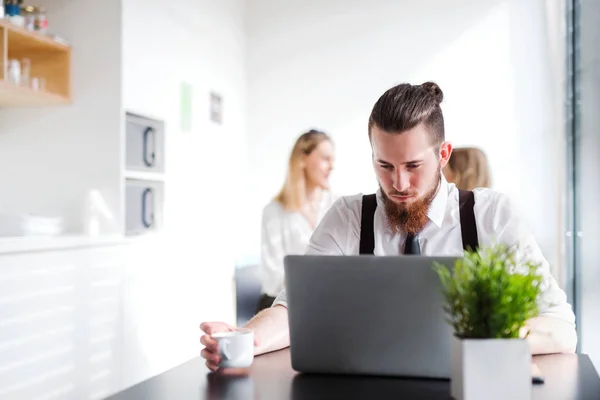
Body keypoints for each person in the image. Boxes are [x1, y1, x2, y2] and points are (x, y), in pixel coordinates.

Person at [200, 82, 577, 372]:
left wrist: (487, 334)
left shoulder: (491, 216)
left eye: (413, 166)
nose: (398, 183)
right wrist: (245, 338)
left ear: (443, 155)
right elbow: (293, 309)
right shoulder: (346, 217)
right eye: (385, 165)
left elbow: (561, 328)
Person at [255, 129, 337, 314]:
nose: (331, 166)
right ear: (302, 159)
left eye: (333, 160)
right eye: (325, 158)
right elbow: (272, 278)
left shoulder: (338, 207)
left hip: (327, 300)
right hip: (284, 303)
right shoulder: (274, 212)